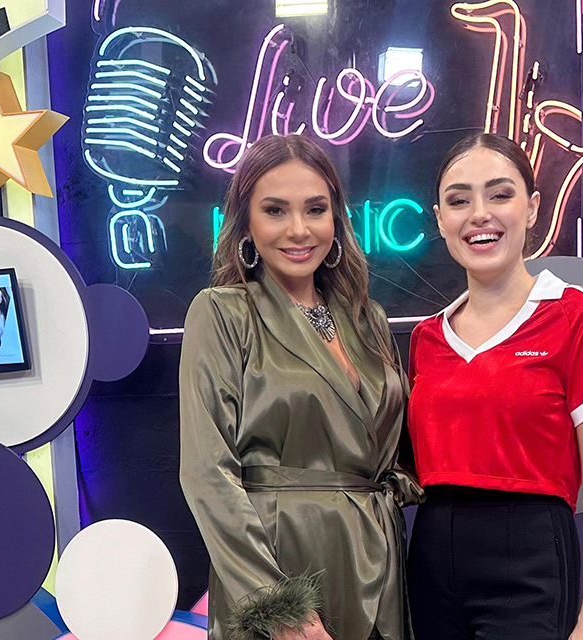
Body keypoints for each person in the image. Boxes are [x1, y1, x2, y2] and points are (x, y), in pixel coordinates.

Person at [179, 134, 420, 640]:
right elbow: (206, 473)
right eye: (275, 210)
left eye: (315, 209)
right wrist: (277, 607)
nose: (298, 229)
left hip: (377, 565)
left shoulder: (368, 320)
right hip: (279, 558)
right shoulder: (222, 312)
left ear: (336, 220)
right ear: (245, 223)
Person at [406, 133, 583, 640]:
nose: (479, 214)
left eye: (500, 194)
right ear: (440, 219)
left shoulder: (577, 313)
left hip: (529, 560)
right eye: (459, 201)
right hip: (429, 558)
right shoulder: (427, 337)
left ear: (531, 208)